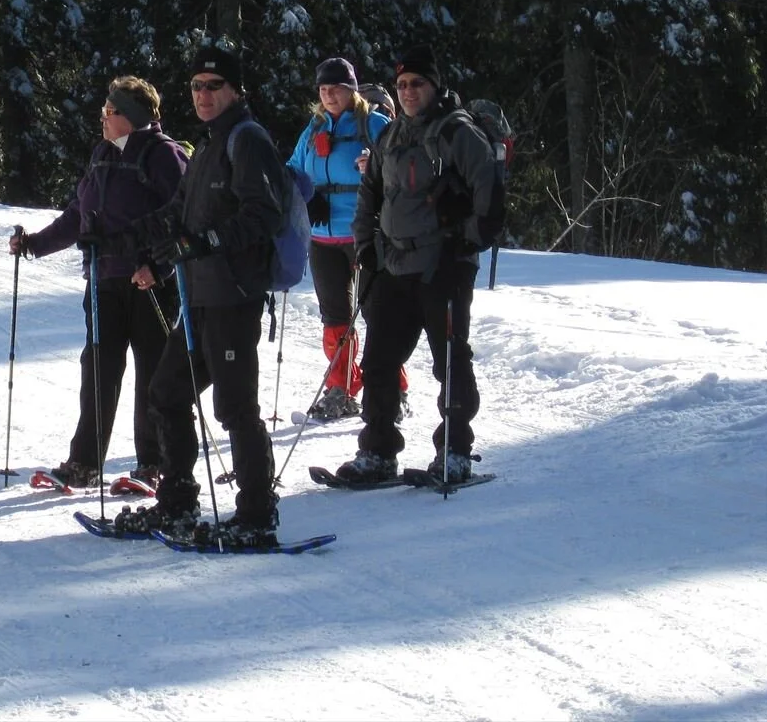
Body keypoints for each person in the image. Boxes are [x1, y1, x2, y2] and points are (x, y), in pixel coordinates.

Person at [99, 44, 285, 546]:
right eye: (197, 86)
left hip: (234, 294)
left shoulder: (247, 141)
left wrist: (205, 241)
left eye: (214, 85)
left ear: (235, 90)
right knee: (167, 393)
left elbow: (265, 214)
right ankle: (177, 503)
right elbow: (174, 216)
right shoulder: (207, 145)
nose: (203, 94)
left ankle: (256, 514)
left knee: (236, 406)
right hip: (201, 294)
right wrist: (116, 240)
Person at [9, 77, 187, 489]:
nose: (103, 119)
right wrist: (35, 244)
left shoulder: (164, 156)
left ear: (134, 117)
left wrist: (159, 268)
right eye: (104, 111)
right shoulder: (103, 154)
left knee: (153, 375)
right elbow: (78, 215)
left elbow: (181, 220)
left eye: (111, 112)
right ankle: (85, 462)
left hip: (149, 284)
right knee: (99, 372)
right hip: (105, 279)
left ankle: (154, 464)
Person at [338, 45, 500, 484]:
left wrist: (465, 241)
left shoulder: (457, 133)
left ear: (435, 86)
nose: (408, 91)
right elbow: (369, 194)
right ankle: (377, 451)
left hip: (442, 265)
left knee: (449, 359)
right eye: (403, 84)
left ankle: (455, 451)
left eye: (417, 83)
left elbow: (488, 195)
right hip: (393, 263)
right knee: (378, 360)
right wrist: (364, 244)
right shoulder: (390, 136)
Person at [287, 57, 407, 421]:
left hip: (366, 230)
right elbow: (294, 167)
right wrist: (298, 192)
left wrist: (376, 163)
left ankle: (392, 389)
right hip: (322, 236)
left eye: (335, 89)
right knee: (335, 317)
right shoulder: (314, 127)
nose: (329, 95)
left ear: (351, 90)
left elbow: (401, 163)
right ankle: (341, 388)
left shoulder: (374, 123)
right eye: (323, 90)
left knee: (377, 314)